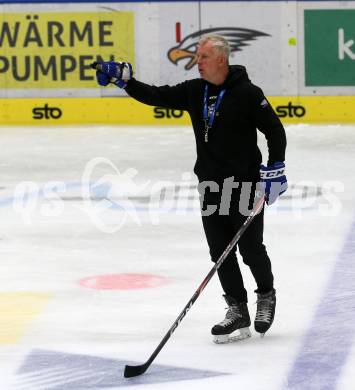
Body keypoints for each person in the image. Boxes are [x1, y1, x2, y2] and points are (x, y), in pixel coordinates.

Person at [93, 34, 287, 343]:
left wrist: (276, 167)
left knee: (251, 250)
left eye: (204, 57)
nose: (197, 61)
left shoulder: (249, 93)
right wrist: (126, 82)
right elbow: (158, 96)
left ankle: (266, 295)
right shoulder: (195, 91)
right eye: (198, 56)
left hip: (245, 185)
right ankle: (237, 308)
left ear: (221, 59)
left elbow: (274, 130)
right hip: (210, 186)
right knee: (220, 253)